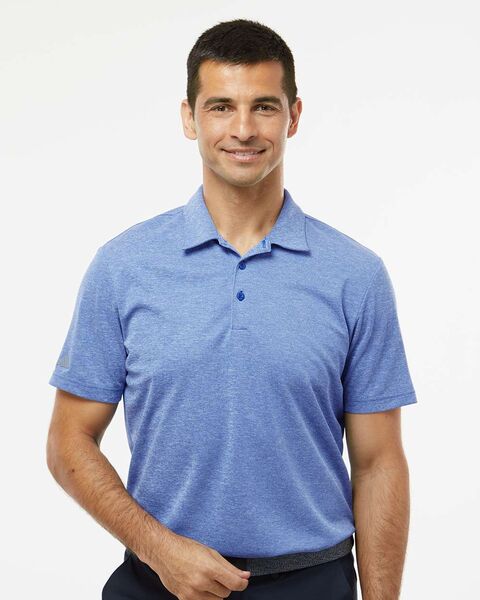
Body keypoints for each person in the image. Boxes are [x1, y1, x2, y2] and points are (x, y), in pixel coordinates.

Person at [46, 18, 418, 600]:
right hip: (157, 582)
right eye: (221, 107)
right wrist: (158, 548)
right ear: (189, 118)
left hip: (313, 583)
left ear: (294, 116)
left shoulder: (356, 276)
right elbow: (68, 441)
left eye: (263, 107)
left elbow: (378, 463)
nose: (243, 129)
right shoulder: (122, 267)